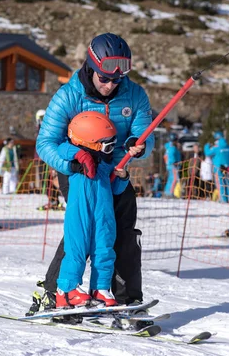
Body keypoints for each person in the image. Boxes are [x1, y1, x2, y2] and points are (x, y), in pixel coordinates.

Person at [34, 33, 154, 312]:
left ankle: (124, 299)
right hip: (77, 169)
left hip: (117, 171)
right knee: (82, 230)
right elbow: (45, 144)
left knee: (122, 233)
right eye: (105, 79)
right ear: (92, 67)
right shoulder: (68, 95)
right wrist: (70, 163)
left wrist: (140, 145)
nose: (111, 85)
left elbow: (145, 136)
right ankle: (56, 292)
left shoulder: (134, 94)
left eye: (117, 80)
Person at [54, 111, 129, 308]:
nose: (111, 149)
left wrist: (122, 177)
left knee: (104, 249)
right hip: (80, 211)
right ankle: (67, 290)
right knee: (76, 249)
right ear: (90, 142)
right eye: (108, 144)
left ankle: (100, 289)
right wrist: (79, 155)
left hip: (103, 214)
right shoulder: (75, 160)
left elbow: (114, 189)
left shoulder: (105, 165)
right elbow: (62, 148)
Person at [204, 131, 229, 203]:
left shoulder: (216, 147)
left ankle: (223, 199)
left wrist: (206, 146)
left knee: (220, 183)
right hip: (228, 167)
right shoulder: (228, 146)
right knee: (228, 183)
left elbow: (207, 153)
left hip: (218, 168)